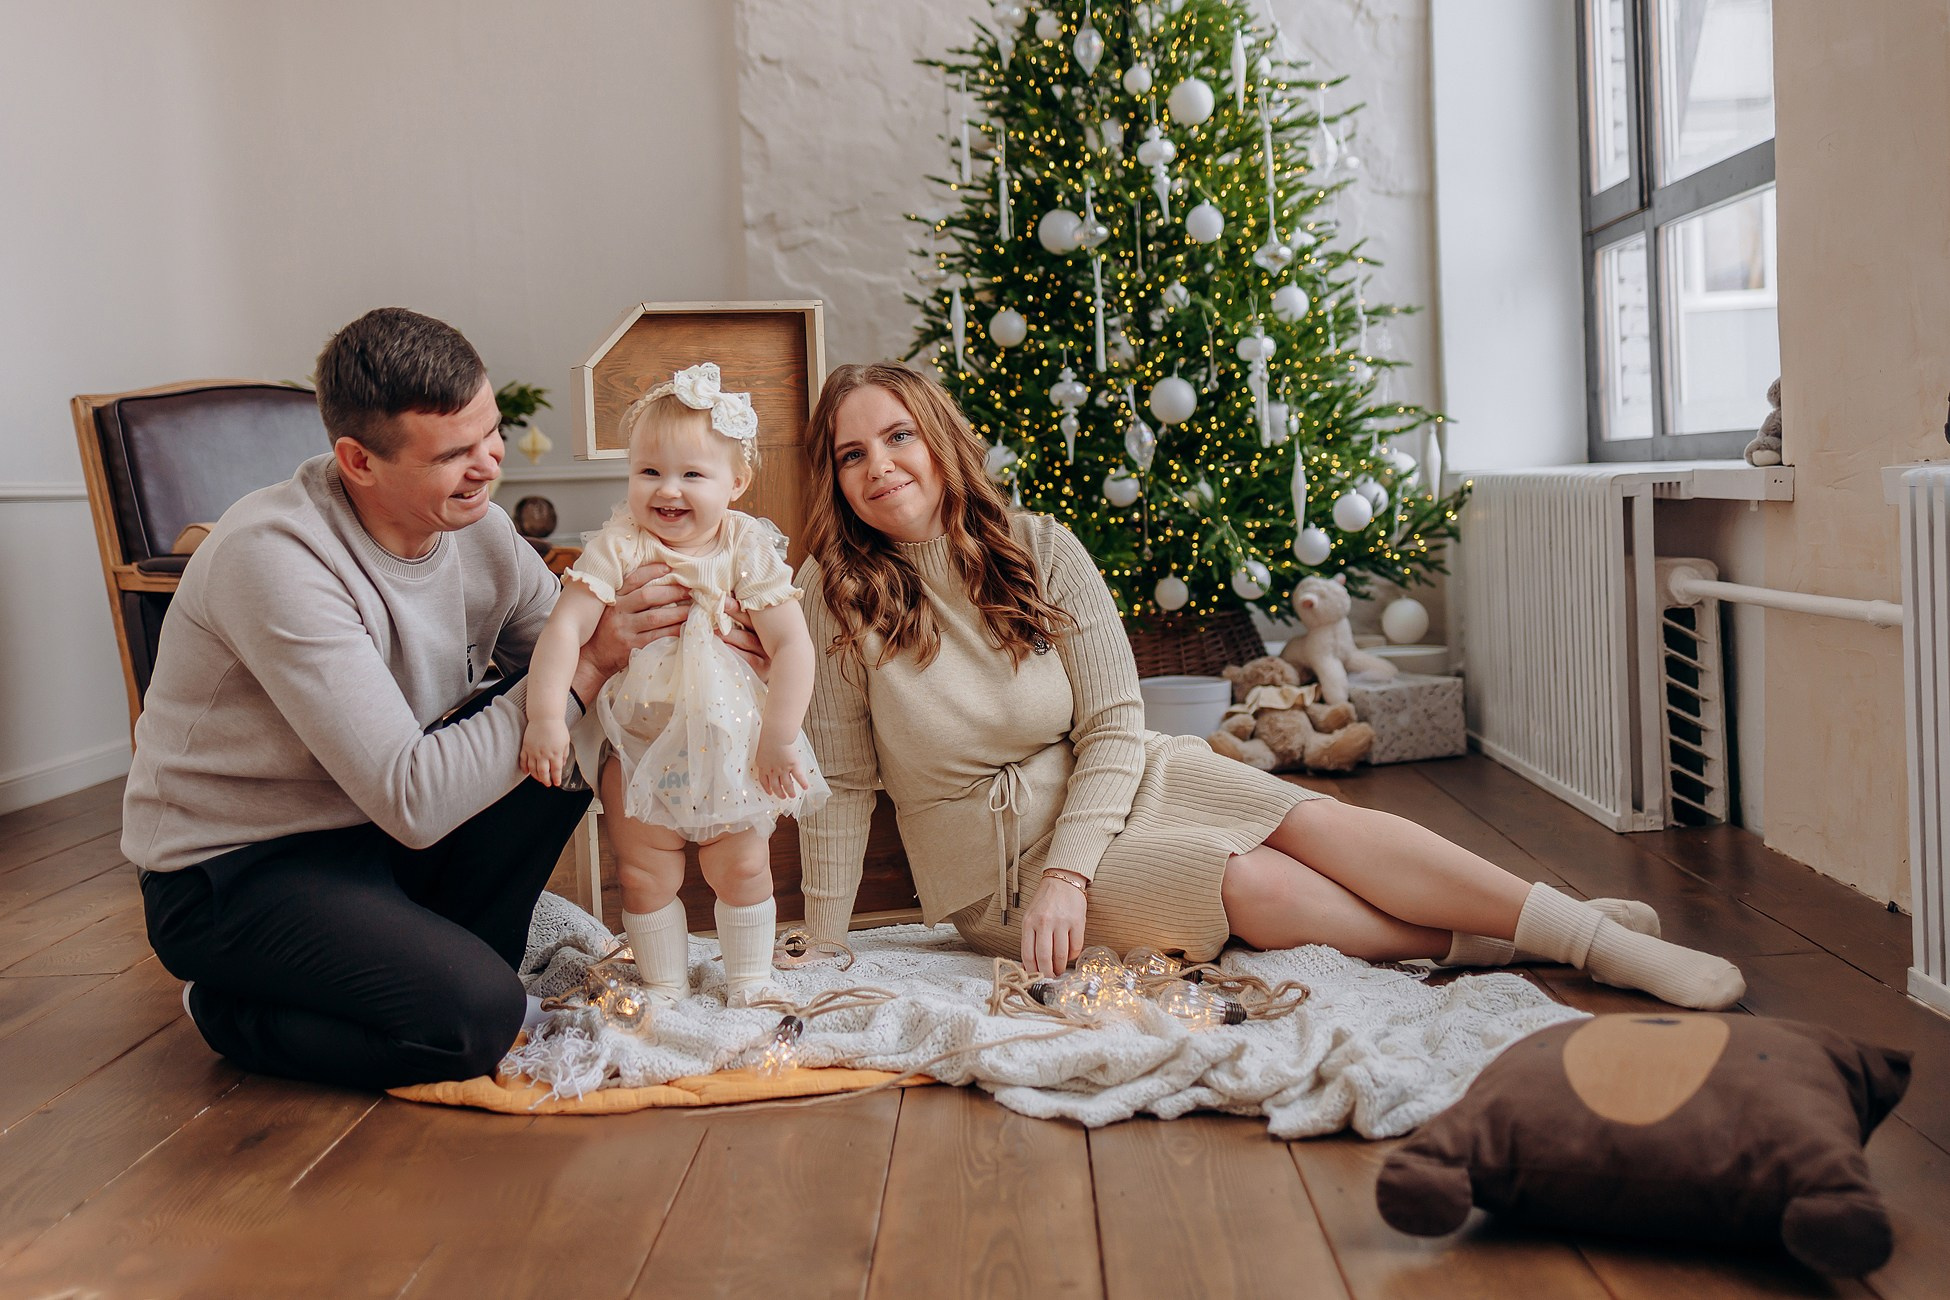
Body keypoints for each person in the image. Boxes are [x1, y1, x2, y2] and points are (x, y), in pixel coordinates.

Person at [792, 361, 1746, 1012]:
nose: (880, 467)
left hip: (1117, 781)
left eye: (898, 437)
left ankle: (1586, 935)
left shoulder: (1039, 546)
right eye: (851, 454)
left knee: (1315, 821)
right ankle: (1518, 940)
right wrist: (827, 943)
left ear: (941, 443)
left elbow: (1118, 725)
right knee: (1247, 880)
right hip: (1001, 873)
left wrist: (1073, 864)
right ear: (835, 480)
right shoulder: (833, 597)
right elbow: (837, 783)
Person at [125, 307, 725, 1091]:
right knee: (473, 1021)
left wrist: (708, 630)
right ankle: (230, 1008)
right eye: (454, 454)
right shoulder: (275, 560)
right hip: (236, 872)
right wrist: (587, 669)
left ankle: (429, 950)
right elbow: (413, 796)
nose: (490, 465)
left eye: (491, 434)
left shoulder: (480, 530)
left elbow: (587, 656)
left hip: (373, 839)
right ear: (358, 461)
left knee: (575, 718)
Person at [521, 363, 827, 1006]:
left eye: (693, 474)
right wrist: (547, 716)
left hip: (733, 746)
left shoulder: (744, 547)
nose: (668, 490)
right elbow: (564, 629)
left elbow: (793, 643)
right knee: (642, 872)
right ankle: (662, 983)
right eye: (649, 472)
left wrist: (780, 735)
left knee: (742, 867)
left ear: (736, 482)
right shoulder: (621, 544)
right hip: (637, 747)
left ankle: (749, 980)